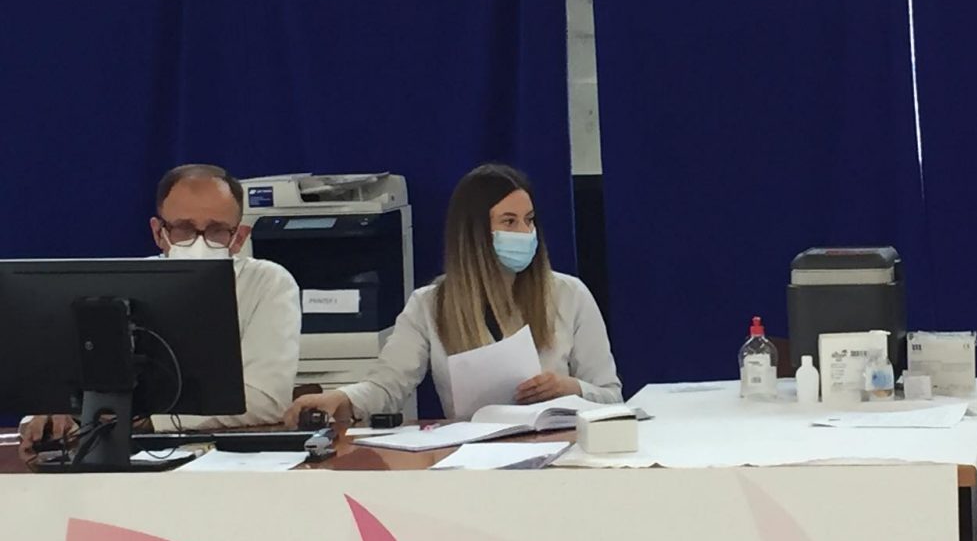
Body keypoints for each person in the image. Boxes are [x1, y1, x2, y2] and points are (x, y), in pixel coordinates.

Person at [286, 163, 621, 426]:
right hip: (471, 459)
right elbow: (387, 386)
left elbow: (612, 397)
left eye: (529, 220)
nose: (525, 232)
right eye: (509, 222)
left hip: (559, 452)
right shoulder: (429, 304)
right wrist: (341, 398)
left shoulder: (570, 294)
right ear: (475, 232)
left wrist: (571, 388)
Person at [18, 164, 302, 456]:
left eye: (217, 230)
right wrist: (50, 413)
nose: (199, 242)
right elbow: (62, 381)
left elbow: (266, 399)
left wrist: (149, 421)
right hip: (116, 451)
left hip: (230, 458)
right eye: (184, 229)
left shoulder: (267, 283)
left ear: (239, 238)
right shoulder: (123, 285)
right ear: (158, 232)